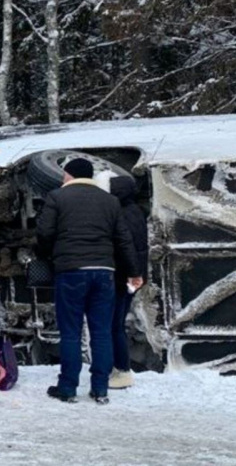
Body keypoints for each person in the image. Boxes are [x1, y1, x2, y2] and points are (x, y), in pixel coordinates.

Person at [36, 158, 143, 404]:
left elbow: (45, 233)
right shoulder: (110, 201)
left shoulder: (57, 197)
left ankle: (67, 387)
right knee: (102, 332)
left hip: (71, 271)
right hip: (104, 272)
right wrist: (134, 272)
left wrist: (48, 256)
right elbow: (123, 240)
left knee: (71, 332)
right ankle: (100, 388)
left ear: (69, 174)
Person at [109, 175, 149, 389]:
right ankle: (119, 367)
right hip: (132, 276)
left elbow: (124, 248)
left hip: (121, 276)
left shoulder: (121, 214)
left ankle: (121, 369)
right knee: (118, 324)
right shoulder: (136, 211)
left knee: (113, 326)